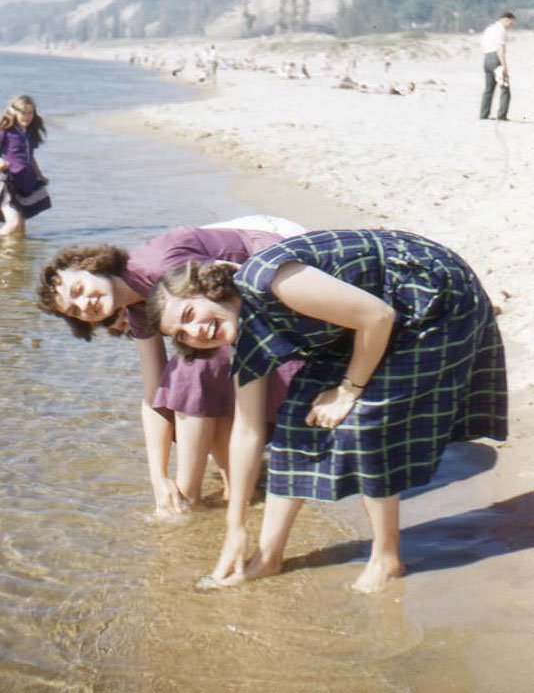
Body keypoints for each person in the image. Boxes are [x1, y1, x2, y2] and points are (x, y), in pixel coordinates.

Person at [148, 228, 508, 592]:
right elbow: (247, 430)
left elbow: (378, 317)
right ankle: (267, 558)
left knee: (365, 420)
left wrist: (347, 392)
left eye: (190, 313)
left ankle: (387, 558)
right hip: (364, 319)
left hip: (431, 294)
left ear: (209, 288)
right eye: (181, 334)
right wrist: (235, 527)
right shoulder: (245, 337)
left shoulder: (271, 280)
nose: (195, 331)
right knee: (295, 424)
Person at [37, 217, 304, 517]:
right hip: (249, 318)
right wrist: (157, 478)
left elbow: (230, 295)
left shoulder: (157, 266)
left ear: (93, 266)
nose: (84, 305)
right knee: (188, 375)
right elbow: (153, 394)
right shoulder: (139, 309)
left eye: (78, 289)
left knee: (194, 368)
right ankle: (230, 489)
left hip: (291, 269)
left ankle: (189, 495)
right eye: (75, 311)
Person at [0, 95, 51, 236]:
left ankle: (17, 256)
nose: (27, 116)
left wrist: (40, 175)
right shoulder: (6, 131)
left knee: (21, 227)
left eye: (30, 113)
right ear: (14, 113)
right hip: (7, 180)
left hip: (24, 181)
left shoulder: (29, 133)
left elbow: (30, 158)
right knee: (13, 223)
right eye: (23, 113)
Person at [479, 12, 515, 121]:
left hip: (486, 58)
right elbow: (500, 49)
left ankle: (483, 114)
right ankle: (502, 114)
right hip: (495, 59)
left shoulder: (489, 29)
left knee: (488, 89)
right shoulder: (501, 31)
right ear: (506, 20)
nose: (511, 26)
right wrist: (504, 66)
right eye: (511, 23)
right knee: (505, 88)